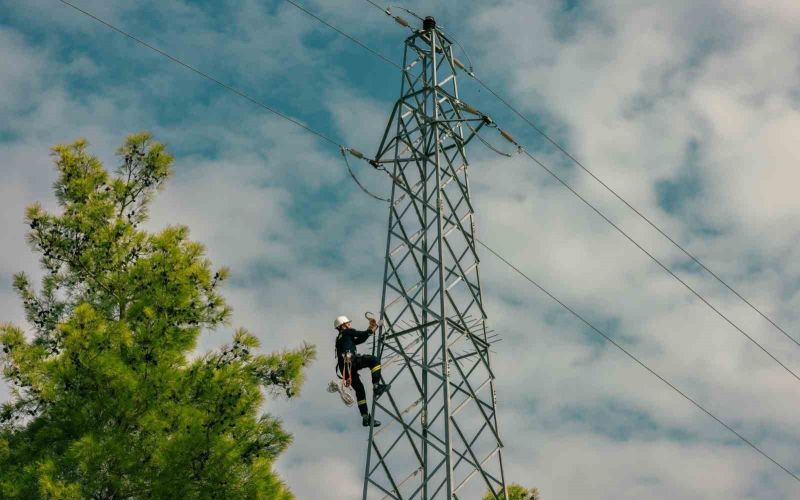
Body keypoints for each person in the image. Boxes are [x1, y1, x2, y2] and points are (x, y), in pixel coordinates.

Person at [334, 314, 390, 427]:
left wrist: (373, 328)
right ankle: (376, 386)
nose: (350, 324)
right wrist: (374, 326)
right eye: (348, 323)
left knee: (360, 391)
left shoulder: (340, 338)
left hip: (345, 369)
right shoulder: (347, 332)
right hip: (351, 360)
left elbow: (361, 339)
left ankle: (365, 417)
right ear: (343, 325)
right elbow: (363, 334)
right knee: (374, 361)